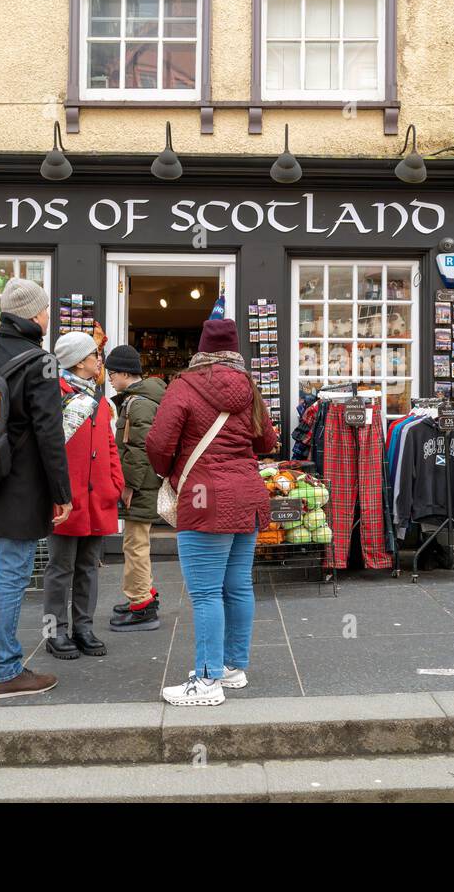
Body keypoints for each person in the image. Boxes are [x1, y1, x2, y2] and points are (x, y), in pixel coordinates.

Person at [146, 296, 277, 707]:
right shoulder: (250, 390)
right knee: (237, 585)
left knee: (205, 594)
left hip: (205, 499)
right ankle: (232, 667)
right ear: (236, 352)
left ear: (200, 352)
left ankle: (206, 681)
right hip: (248, 494)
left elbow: (158, 444)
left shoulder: (183, 387)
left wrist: (171, 471)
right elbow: (268, 442)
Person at [0, 277, 71, 699]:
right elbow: (49, 433)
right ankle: (5, 669)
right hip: (21, 485)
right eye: (44, 310)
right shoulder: (40, 361)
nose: (47, 317)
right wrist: (62, 493)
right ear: (34, 314)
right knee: (12, 575)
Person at [42, 331, 123, 659]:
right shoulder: (54, 396)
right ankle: (54, 631)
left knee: (88, 565)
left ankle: (83, 627)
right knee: (60, 568)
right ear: (78, 361)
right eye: (94, 355)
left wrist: (114, 483)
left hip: (96, 496)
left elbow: (108, 445)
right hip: (66, 498)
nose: (99, 360)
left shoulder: (99, 400)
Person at [107, 344, 167, 632]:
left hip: (140, 485)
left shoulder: (138, 403)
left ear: (124, 373)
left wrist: (128, 485)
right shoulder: (141, 399)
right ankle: (142, 596)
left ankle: (141, 604)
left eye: (112, 373)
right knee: (137, 542)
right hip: (145, 482)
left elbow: (137, 449)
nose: (109, 378)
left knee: (135, 543)